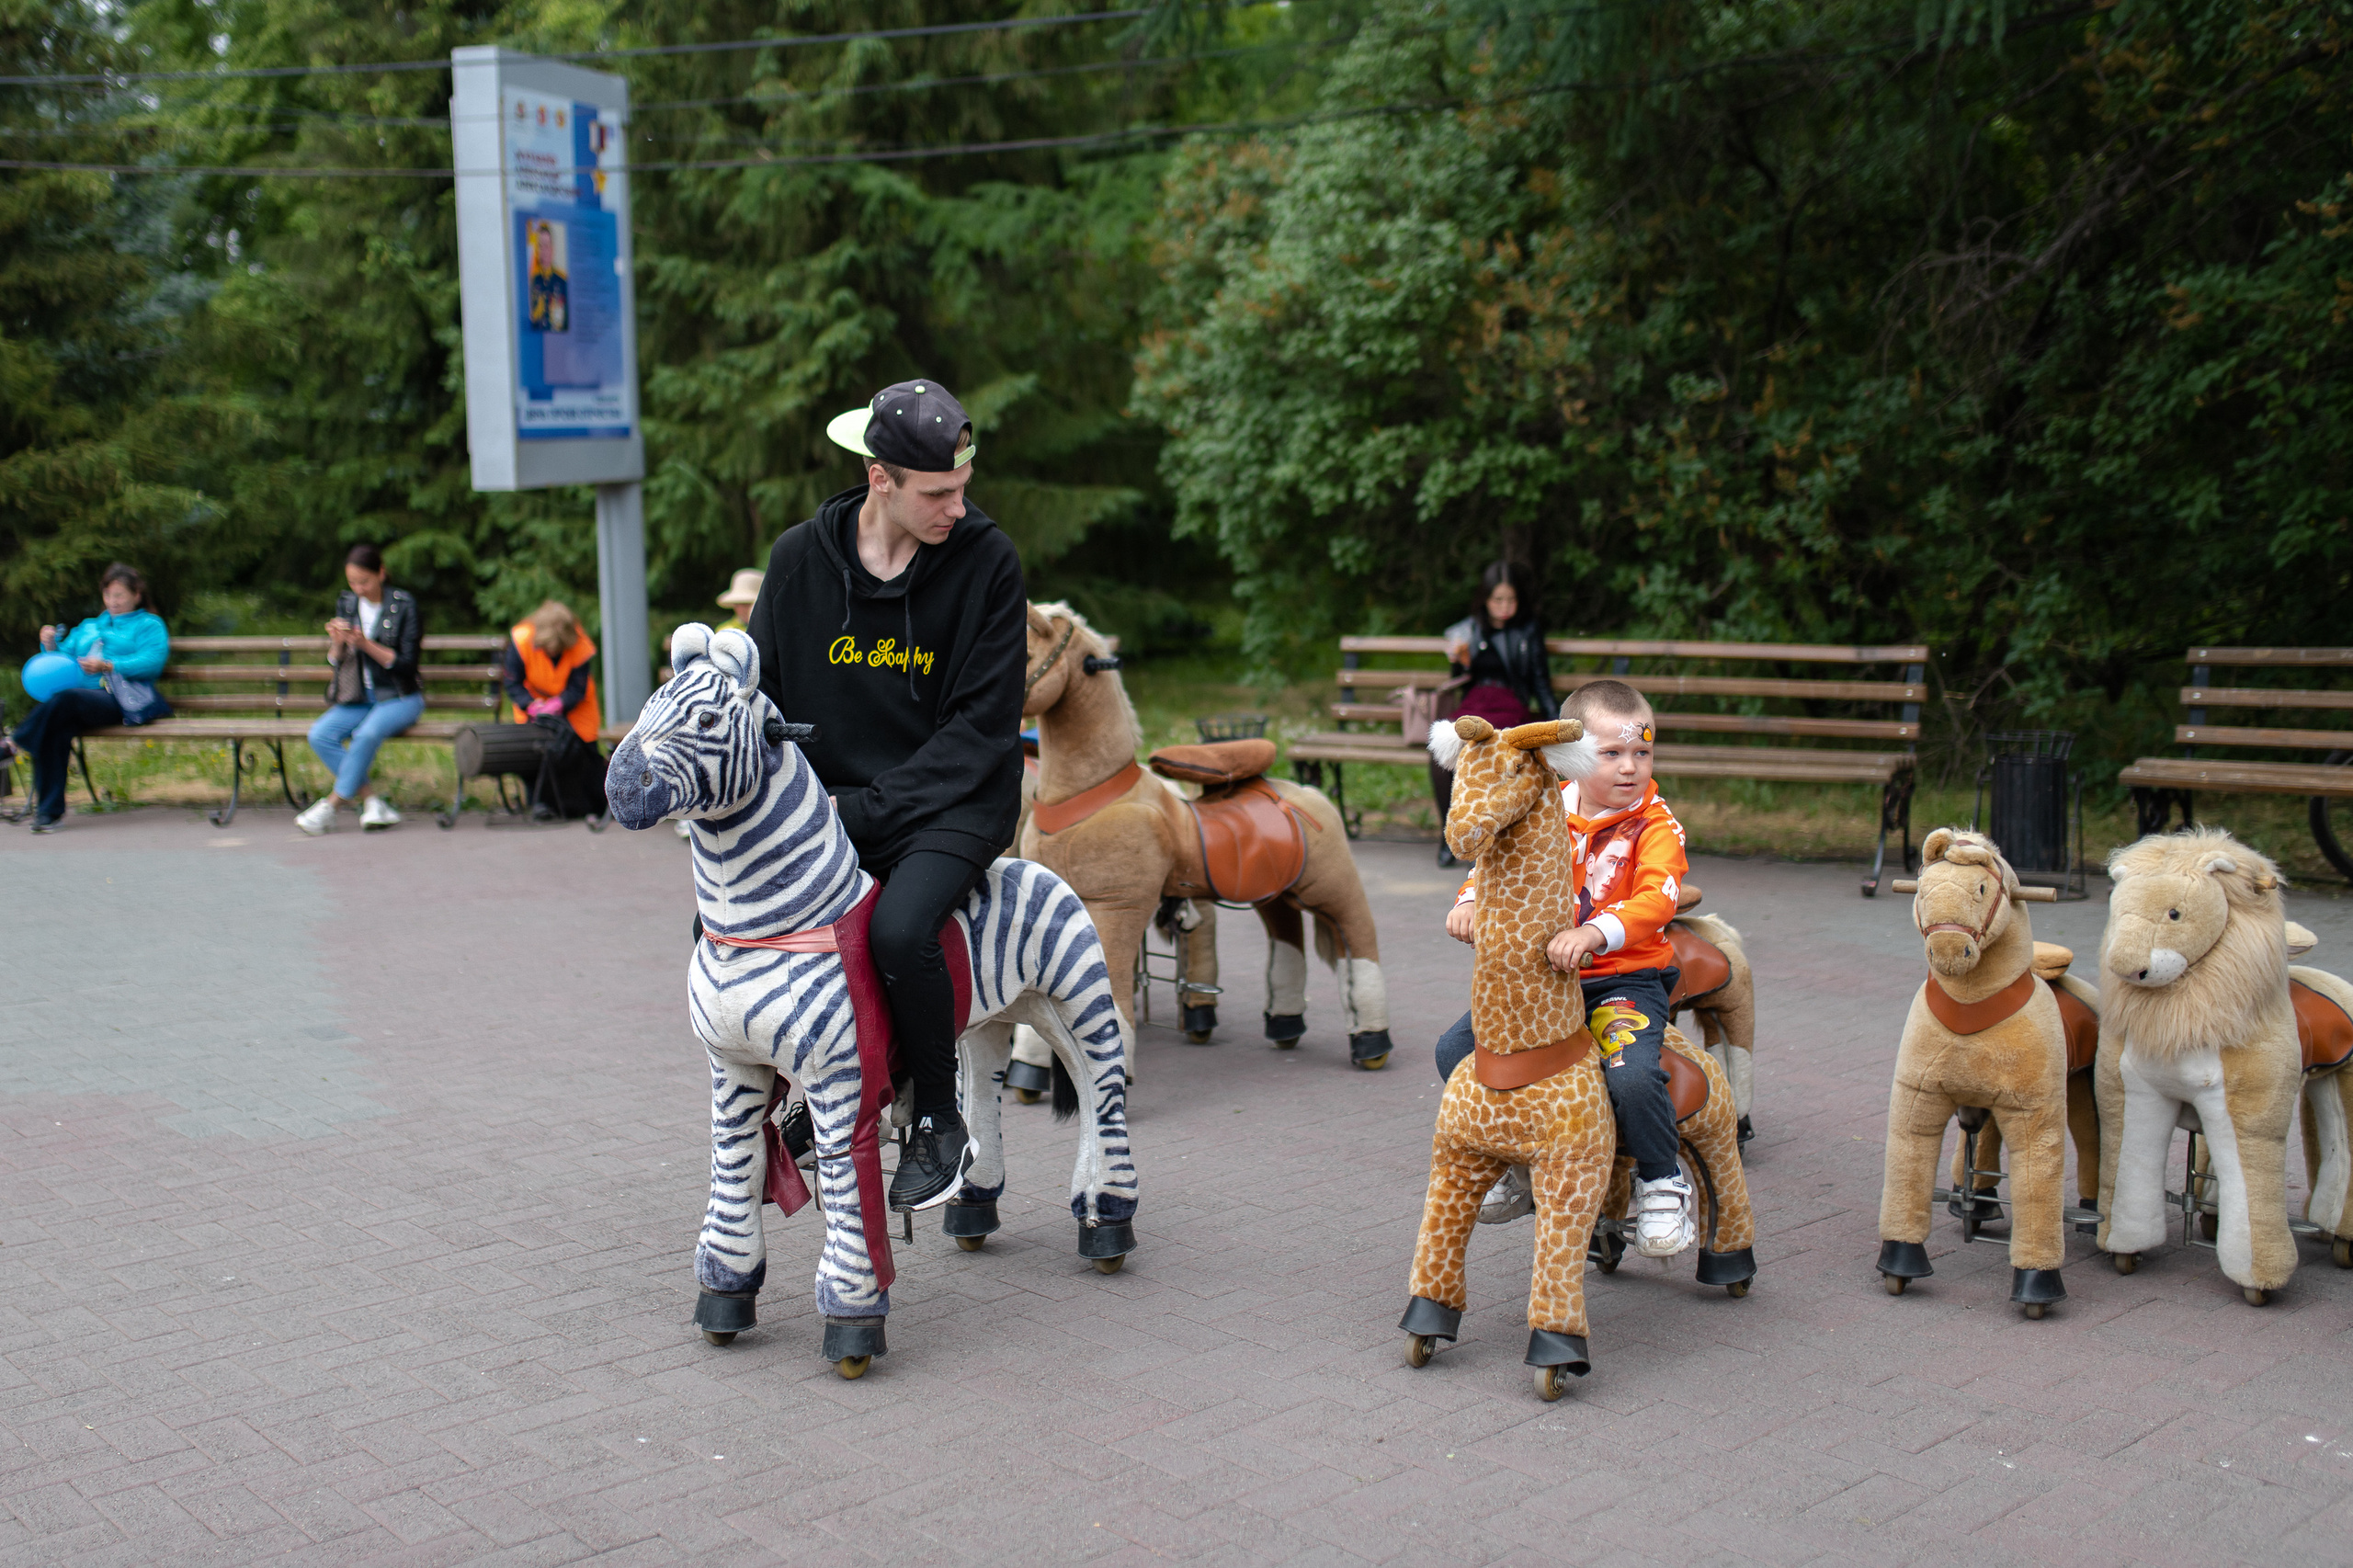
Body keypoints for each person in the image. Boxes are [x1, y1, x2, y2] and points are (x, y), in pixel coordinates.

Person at [746, 379, 1025, 1212]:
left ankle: (939, 1120)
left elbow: (980, 734)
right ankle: (781, 1115)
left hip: (955, 804)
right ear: (880, 479)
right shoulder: (800, 558)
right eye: (938, 494)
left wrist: (854, 815)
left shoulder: (987, 561)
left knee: (901, 930)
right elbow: (758, 699)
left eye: (963, 488)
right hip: (828, 812)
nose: (958, 508)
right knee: (722, 932)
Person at [1434, 677, 1697, 1256]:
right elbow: (1498, 862)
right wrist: (1470, 901)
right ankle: (1516, 1162)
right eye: (1612, 753)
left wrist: (1594, 932)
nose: (1630, 767)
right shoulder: (1546, 805)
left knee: (1629, 1074)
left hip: (1620, 980)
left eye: (1642, 751)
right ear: (1570, 758)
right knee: (1455, 1052)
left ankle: (1660, 1181)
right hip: (1542, 984)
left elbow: (1658, 898)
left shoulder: (1656, 825)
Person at [1, 562, 171, 832]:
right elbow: (63, 659)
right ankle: (48, 814)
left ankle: (13, 743)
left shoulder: (149, 624)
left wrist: (108, 665)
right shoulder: (90, 625)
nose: (113, 602)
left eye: (119, 596)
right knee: (55, 726)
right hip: (78, 701)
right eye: (108, 595)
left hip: (119, 699)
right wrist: (49, 645)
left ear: (137, 595)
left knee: (64, 701)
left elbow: (152, 662)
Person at [1432, 562, 1555, 867]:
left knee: (1496, 749)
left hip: (1511, 704)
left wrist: (1556, 721)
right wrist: (1459, 660)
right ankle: (1448, 834)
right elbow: (1461, 678)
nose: (1504, 607)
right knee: (1444, 747)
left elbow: (1540, 680)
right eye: (1497, 600)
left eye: (1510, 600)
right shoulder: (1470, 628)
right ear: (1485, 599)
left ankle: (1493, 833)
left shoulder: (1528, 629)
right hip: (1475, 703)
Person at [297, 545, 423, 835]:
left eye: (364, 581)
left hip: (400, 696)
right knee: (320, 734)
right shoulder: (348, 603)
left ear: (381, 573)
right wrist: (338, 642)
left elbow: (407, 665)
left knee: (366, 734)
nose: (358, 589)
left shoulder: (404, 605)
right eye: (352, 582)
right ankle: (372, 801)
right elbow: (336, 661)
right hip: (359, 697)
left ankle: (331, 805)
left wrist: (366, 644)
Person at [503, 598, 608, 819]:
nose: (554, 653)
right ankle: (541, 803)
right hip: (532, 708)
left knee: (585, 753)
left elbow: (578, 687)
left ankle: (589, 805)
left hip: (577, 707)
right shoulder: (521, 640)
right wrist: (530, 705)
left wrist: (559, 703)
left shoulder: (579, 643)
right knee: (535, 754)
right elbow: (512, 682)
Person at [715, 569, 762, 634]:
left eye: (747, 603)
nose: (741, 609)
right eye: (737, 604)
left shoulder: (771, 629)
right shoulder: (725, 631)